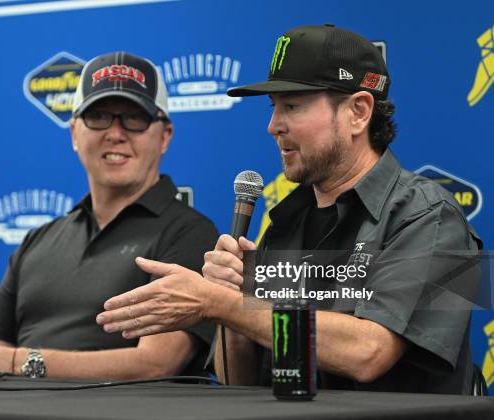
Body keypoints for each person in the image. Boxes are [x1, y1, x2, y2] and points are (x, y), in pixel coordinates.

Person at [96, 25, 483, 394]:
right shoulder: (285, 222)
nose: (273, 126)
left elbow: (370, 351)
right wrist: (232, 303)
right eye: (274, 107)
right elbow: (240, 384)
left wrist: (224, 304)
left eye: (293, 105)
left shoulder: (428, 216)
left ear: (358, 112)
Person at [0, 51, 218, 379]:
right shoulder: (39, 239)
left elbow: (156, 364)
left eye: (134, 118)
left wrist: (14, 362)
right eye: (98, 116)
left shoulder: (192, 235)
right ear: (74, 134)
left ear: (165, 136)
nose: (115, 133)